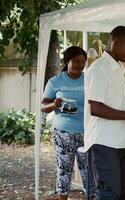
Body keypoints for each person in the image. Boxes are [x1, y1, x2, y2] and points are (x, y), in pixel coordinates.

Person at [84, 26, 125, 200]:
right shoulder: (99, 68)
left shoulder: (116, 68)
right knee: (109, 193)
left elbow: (111, 102)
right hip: (104, 142)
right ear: (116, 42)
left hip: (120, 140)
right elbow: (96, 108)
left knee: (123, 193)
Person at [41, 46, 94, 200]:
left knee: (88, 171)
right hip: (63, 134)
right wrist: (54, 105)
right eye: (76, 61)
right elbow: (43, 106)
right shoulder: (55, 81)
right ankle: (62, 196)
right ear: (67, 61)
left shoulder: (89, 79)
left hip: (86, 132)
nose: (80, 65)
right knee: (64, 170)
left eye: (83, 62)